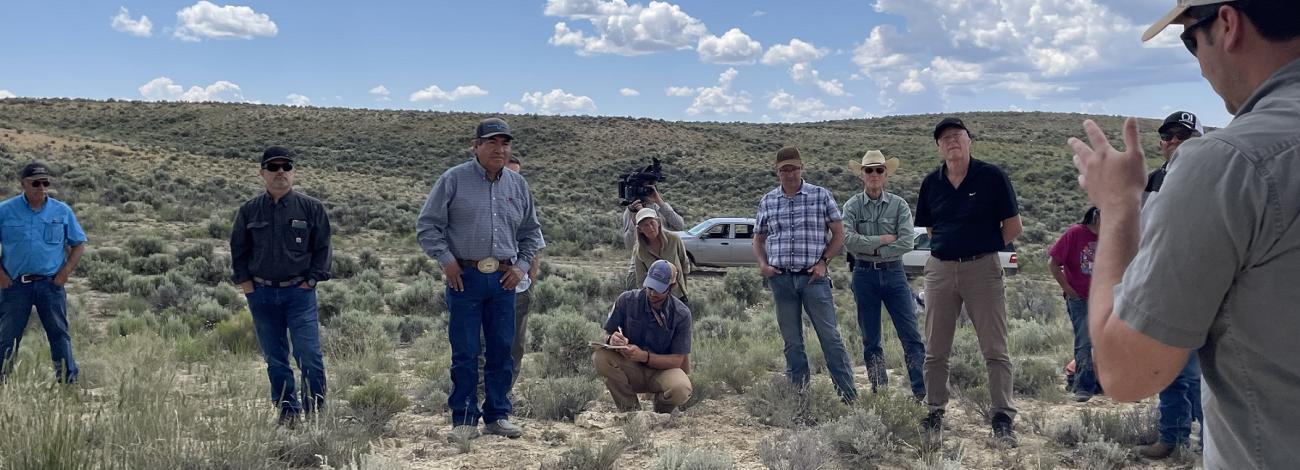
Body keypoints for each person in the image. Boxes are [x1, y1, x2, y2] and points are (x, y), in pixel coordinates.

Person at [1069, 2, 1300, 467]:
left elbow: (1125, 372)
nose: (1197, 62)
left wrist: (1117, 207)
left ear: (1229, 25)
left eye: (1190, 39)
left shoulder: (1232, 162)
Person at [417, 117, 544, 441]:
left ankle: (497, 416)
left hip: (504, 280)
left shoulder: (518, 186)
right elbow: (428, 226)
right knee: (466, 351)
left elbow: (530, 232)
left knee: (502, 349)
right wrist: (447, 262)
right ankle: (463, 420)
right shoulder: (453, 180)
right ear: (476, 147)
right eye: (491, 143)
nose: (499, 149)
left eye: (505, 144)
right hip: (465, 278)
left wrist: (522, 265)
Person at [916, 117, 1023, 447]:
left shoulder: (991, 177)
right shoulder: (931, 183)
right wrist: (953, 249)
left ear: (969, 141)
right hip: (941, 270)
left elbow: (1013, 227)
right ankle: (934, 411)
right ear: (938, 146)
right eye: (945, 138)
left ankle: (1002, 416)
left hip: (983, 269)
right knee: (935, 349)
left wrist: (982, 247)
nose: (952, 142)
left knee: (995, 348)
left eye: (957, 136)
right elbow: (932, 229)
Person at [229, 147, 332, 426]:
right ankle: (288, 413)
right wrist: (247, 285)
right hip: (261, 294)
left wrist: (310, 281)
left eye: (286, 167)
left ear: (293, 172)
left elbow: (323, 249)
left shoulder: (311, 208)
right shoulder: (249, 210)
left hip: (299, 294)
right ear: (262, 173)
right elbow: (238, 249)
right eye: (273, 168)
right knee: (275, 359)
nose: (280, 173)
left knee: (308, 355)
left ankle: (315, 414)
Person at [753, 147, 858, 402]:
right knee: (792, 342)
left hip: (813, 278)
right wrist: (763, 266)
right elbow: (758, 238)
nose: (789, 174)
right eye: (784, 169)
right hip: (781, 279)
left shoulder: (820, 195)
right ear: (776, 171)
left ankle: (848, 398)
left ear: (802, 168)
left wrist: (824, 262)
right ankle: (799, 397)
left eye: (793, 168)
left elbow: (839, 234)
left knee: (830, 337)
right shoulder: (768, 200)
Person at [1133, 110, 1206, 459]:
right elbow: (1143, 231)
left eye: (1183, 135)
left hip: (1206, 286)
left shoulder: (1215, 176)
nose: (1173, 141)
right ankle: (1172, 438)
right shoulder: (1154, 179)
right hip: (1162, 287)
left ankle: (1211, 445)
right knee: (1169, 369)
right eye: (1167, 136)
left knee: (1204, 375)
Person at [842, 150, 925, 399]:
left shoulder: (899, 205)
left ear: (886, 174)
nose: (874, 174)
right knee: (871, 338)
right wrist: (882, 240)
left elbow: (906, 242)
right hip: (864, 275)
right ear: (862, 175)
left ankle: (922, 392)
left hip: (895, 274)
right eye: (869, 170)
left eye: (879, 170)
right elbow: (847, 240)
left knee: (910, 335)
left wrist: (868, 245)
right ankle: (880, 392)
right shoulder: (852, 206)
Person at [0, 163, 86, 384]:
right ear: (23, 184)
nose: (41, 187)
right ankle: (2, 384)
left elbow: (78, 244)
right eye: (35, 183)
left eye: (45, 182)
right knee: (7, 337)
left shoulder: (61, 211)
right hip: (15, 286)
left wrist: (65, 272)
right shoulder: (5, 210)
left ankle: (68, 384)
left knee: (59, 335)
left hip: (50, 285)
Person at [593, 259, 693, 413]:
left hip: (662, 371)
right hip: (632, 368)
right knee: (600, 357)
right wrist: (610, 338)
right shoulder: (626, 300)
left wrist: (644, 356)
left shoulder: (681, 314)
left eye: (658, 289)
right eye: (650, 286)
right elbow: (605, 332)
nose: (652, 293)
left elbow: (677, 360)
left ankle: (661, 412)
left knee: (681, 388)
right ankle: (631, 412)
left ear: (671, 287)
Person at [1048, 207, 1101, 403]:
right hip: (1081, 299)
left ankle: (1105, 383)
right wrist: (1069, 291)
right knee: (1084, 341)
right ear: (1096, 216)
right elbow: (1053, 263)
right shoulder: (1075, 234)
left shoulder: (1112, 236)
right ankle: (1083, 387)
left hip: (1105, 299)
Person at [504, 156, 541, 390]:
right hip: (489, 284)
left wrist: (529, 281)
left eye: (518, 174)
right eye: (510, 173)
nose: (514, 179)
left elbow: (536, 245)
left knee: (515, 345)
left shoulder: (524, 205)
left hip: (519, 288)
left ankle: (505, 391)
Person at [622, 179, 684, 288]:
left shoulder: (659, 208)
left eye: (650, 189)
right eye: (644, 189)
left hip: (665, 257)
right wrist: (636, 219)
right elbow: (629, 244)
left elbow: (679, 225)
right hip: (642, 259)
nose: (646, 192)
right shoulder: (630, 212)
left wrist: (659, 201)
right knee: (634, 285)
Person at [633, 208, 690, 304]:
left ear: (658, 223)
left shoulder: (674, 239)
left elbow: (684, 263)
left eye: (652, 223)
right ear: (640, 229)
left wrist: (684, 288)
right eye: (645, 225)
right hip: (656, 299)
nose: (650, 228)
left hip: (678, 295)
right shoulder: (639, 250)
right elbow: (640, 279)